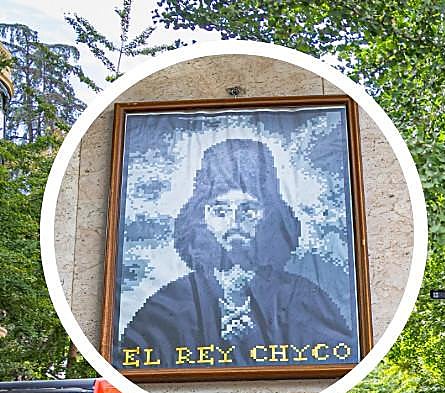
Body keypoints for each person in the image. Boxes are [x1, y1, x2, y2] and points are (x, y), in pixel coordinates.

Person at [120, 139, 353, 369]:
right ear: (201, 217)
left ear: (269, 216)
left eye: (248, 210)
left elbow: (336, 356)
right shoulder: (166, 305)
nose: (234, 223)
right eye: (220, 210)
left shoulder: (304, 299)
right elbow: (133, 359)